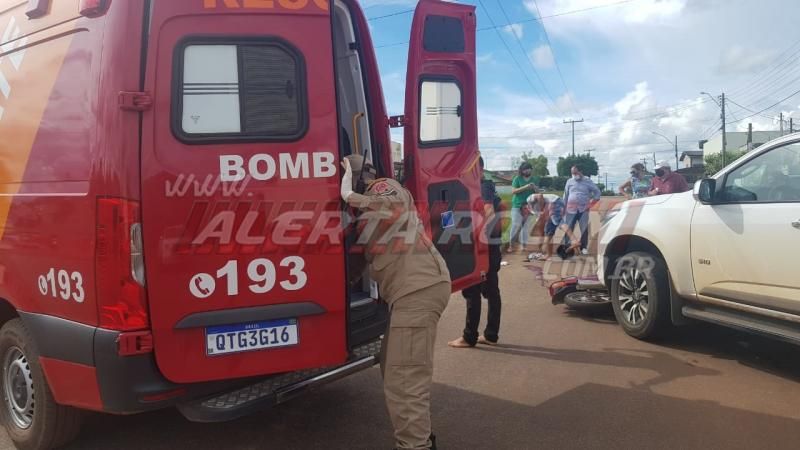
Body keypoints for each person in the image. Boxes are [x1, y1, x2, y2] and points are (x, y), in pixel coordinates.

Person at [341, 155, 450, 450]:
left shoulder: (382, 188)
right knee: (394, 368)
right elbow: (356, 266)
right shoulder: (363, 221)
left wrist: (351, 195)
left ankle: (415, 446)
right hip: (415, 291)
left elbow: (394, 204)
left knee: (404, 380)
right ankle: (420, 440)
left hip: (419, 290)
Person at [448, 157, 505, 348]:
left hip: (481, 248)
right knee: (491, 290)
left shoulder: (482, 186)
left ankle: (469, 336)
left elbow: (487, 211)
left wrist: (475, 237)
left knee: (472, 290)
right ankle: (490, 335)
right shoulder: (484, 186)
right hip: (491, 246)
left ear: (479, 168)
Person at [525, 193, 581, 261]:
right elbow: (541, 227)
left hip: (554, 201)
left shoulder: (529, 200)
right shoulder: (535, 212)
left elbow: (540, 195)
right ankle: (548, 255)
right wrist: (541, 241)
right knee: (548, 231)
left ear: (525, 207)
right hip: (552, 207)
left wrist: (542, 206)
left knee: (558, 221)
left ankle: (574, 240)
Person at [562, 166, 601, 255]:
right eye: (573, 173)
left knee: (584, 228)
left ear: (580, 171)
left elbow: (597, 192)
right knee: (569, 228)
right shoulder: (569, 181)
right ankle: (567, 246)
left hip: (583, 209)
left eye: (576, 173)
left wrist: (591, 204)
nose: (574, 175)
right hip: (570, 209)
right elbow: (565, 195)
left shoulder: (587, 181)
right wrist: (563, 208)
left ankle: (584, 247)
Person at [508, 162, 539, 253]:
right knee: (516, 224)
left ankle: (523, 245)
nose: (527, 170)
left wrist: (535, 188)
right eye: (525, 169)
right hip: (517, 205)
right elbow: (513, 191)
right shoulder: (517, 179)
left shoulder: (534, 179)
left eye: (529, 168)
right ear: (522, 170)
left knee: (525, 226)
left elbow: (537, 192)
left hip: (529, 206)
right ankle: (511, 245)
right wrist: (525, 187)